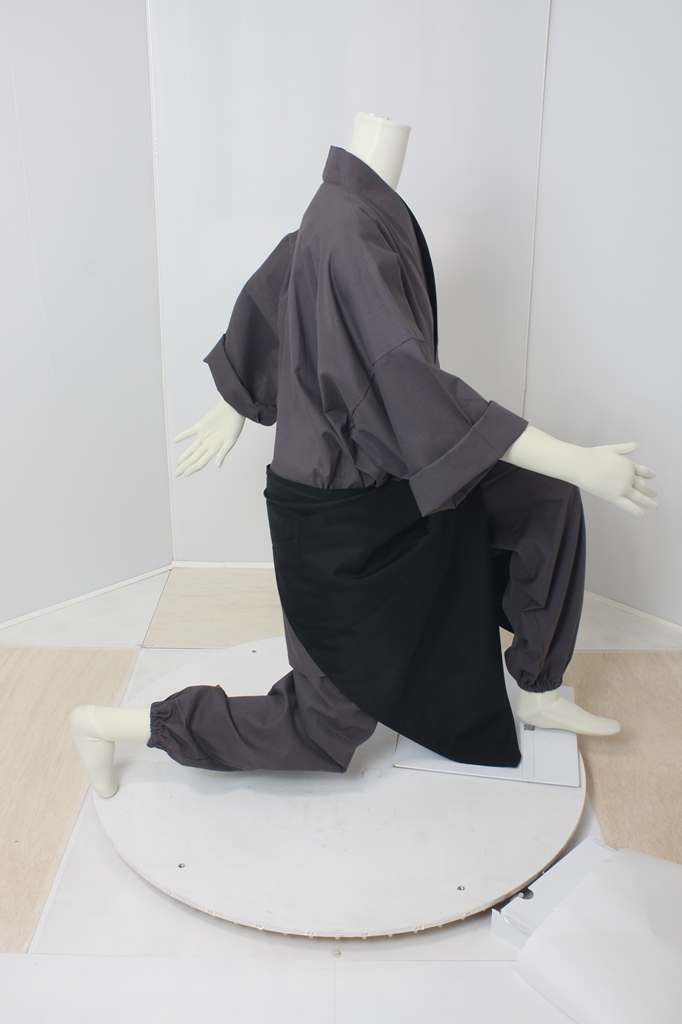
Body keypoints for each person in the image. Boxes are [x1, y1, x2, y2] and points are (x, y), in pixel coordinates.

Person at [71, 113, 657, 798]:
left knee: (542, 503)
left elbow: (286, 282)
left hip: (392, 474)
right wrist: (581, 460)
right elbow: (407, 383)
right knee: (323, 726)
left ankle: (537, 687)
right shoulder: (347, 227)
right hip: (341, 521)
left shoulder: (344, 206)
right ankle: (115, 726)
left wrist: (235, 403)